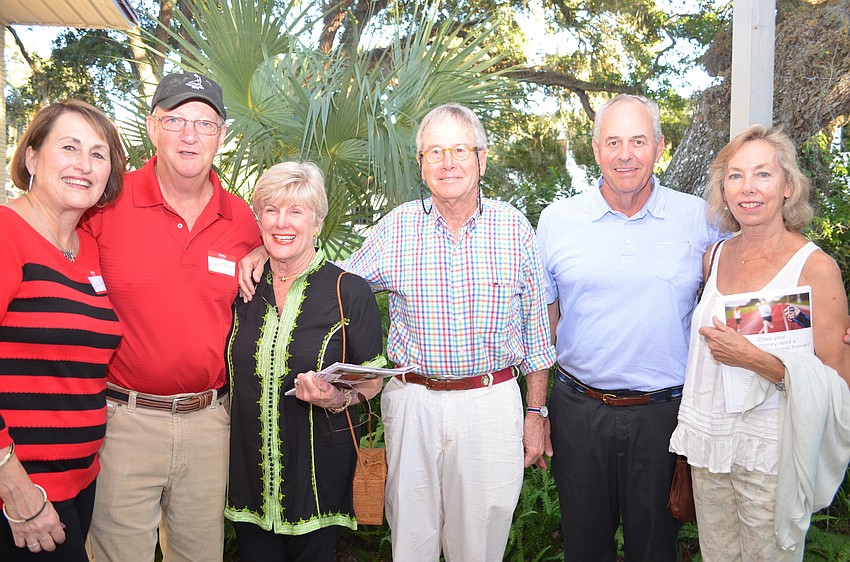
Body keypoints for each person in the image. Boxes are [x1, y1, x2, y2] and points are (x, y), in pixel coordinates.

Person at [239, 103, 556, 561]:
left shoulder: (514, 228)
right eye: (435, 152)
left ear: (482, 160)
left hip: (490, 402)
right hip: (412, 402)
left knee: (481, 542)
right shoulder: (398, 227)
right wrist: (265, 251)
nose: (448, 162)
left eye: (460, 150)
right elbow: (332, 279)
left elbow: (537, 336)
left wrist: (536, 411)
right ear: (421, 164)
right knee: (411, 537)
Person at [537, 94, 723, 561]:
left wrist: (812, 322)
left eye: (638, 141)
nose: (626, 154)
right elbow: (543, 319)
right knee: (584, 546)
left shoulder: (700, 217)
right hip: (578, 410)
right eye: (614, 141)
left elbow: (747, 282)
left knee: (656, 548)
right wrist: (535, 410)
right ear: (596, 149)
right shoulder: (557, 221)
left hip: (665, 414)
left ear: (660, 146)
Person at [83, 73, 261, 561]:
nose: (189, 135)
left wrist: (265, 249)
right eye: (175, 120)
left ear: (221, 136)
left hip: (209, 424)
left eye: (204, 123)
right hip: (124, 423)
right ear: (152, 127)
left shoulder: (242, 218)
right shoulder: (105, 203)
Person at [669, 125, 850, 560]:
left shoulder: (815, 268)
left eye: (763, 174)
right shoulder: (714, 257)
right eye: (735, 176)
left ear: (788, 186)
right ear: (723, 190)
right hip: (710, 447)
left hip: (772, 454)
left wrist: (757, 361)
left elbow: (837, 384)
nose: (748, 188)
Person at [225, 162, 385, 561]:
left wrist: (335, 398)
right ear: (258, 218)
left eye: (296, 211)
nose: (282, 222)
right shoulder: (240, 287)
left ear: (317, 223)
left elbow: (371, 382)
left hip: (320, 480)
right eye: (272, 210)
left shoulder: (350, 290)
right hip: (249, 478)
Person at [0, 100, 125, 559]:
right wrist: (14, 489)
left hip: (78, 482)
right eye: (69, 147)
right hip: (21, 496)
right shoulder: (6, 233)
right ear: (31, 157)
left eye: (98, 154)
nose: (84, 164)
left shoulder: (87, 248)